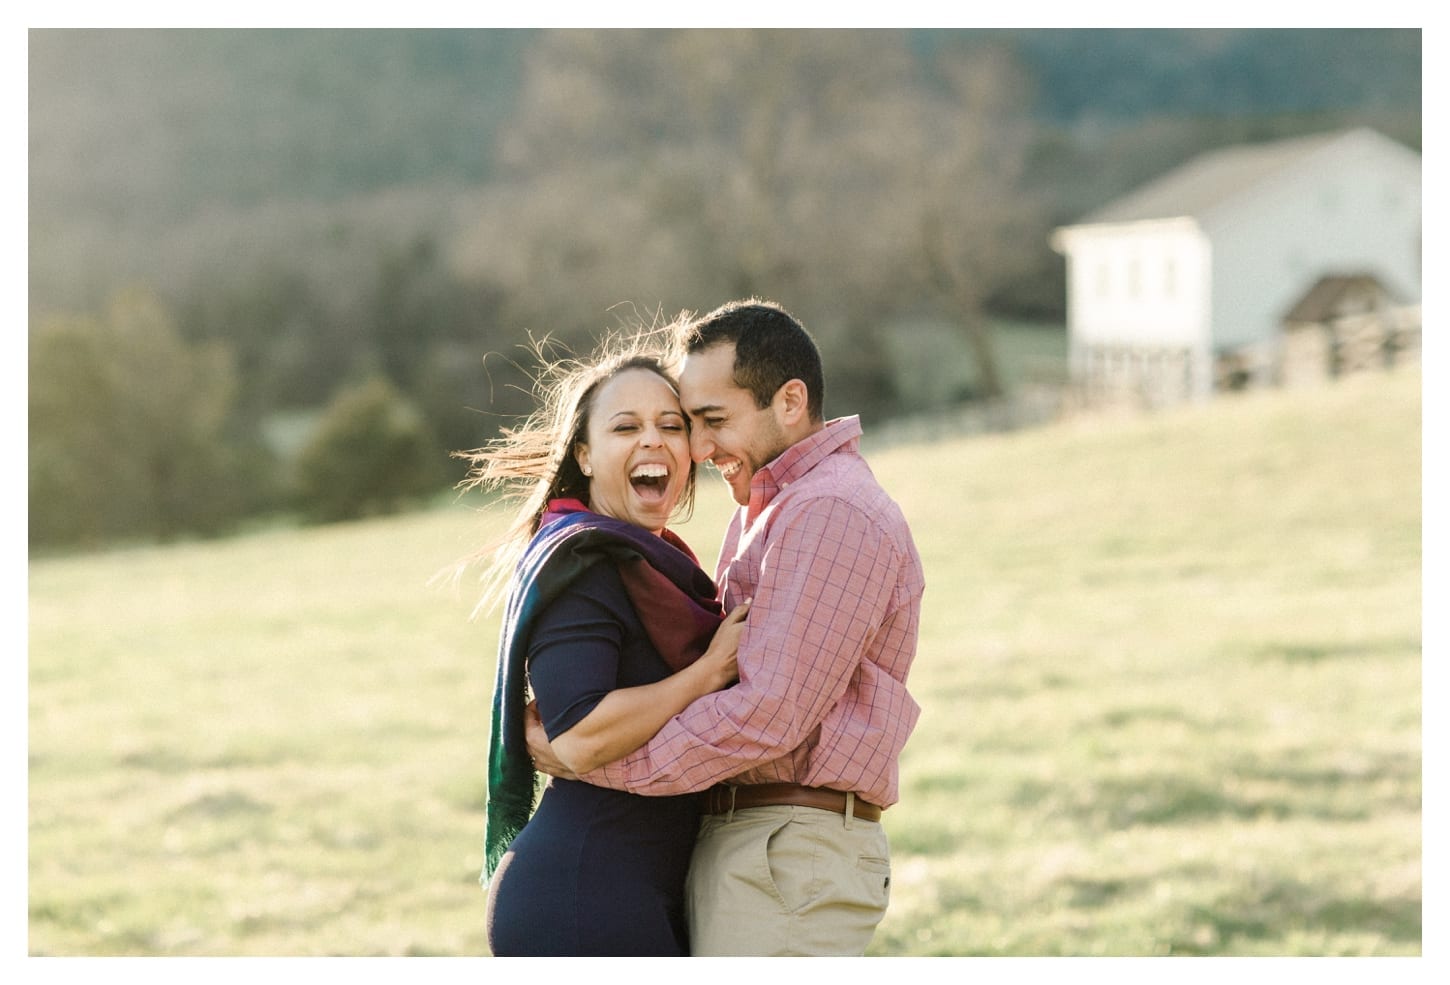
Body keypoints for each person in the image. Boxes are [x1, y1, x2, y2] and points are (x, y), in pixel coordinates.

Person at [528, 299, 925, 955]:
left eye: (713, 420)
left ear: (790, 401)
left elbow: (764, 713)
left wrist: (593, 758)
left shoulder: (829, 508)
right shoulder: (769, 509)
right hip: (760, 845)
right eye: (695, 423)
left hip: (789, 850)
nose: (701, 447)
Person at [458, 338, 751, 956]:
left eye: (671, 425)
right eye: (626, 427)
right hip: (583, 896)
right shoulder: (585, 564)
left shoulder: (654, 563)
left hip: (633, 889)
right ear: (586, 457)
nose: (653, 439)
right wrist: (706, 673)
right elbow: (580, 734)